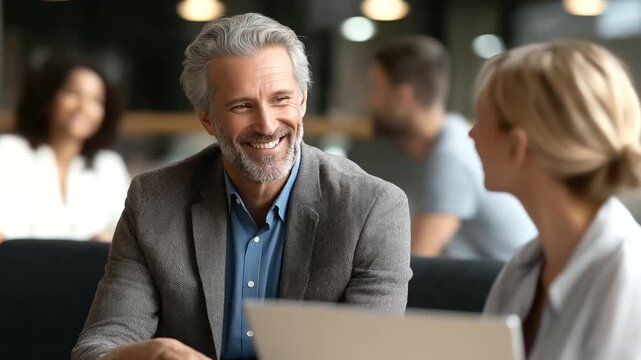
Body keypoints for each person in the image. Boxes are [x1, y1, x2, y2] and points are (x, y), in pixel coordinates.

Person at [72, 13, 412, 360]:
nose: (266, 125)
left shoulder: (374, 208)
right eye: (242, 105)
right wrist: (144, 355)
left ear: (303, 102)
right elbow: (97, 347)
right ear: (207, 118)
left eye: (281, 99)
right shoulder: (154, 202)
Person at [473, 41, 641, 359]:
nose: (472, 135)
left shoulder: (629, 276)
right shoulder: (524, 266)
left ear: (517, 145)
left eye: (481, 119)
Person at [350, 36, 536, 260]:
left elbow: (416, 260)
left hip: (502, 287)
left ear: (404, 97)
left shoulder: (450, 156)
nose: (368, 103)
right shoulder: (449, 134)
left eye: (375, 89)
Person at [0, 58, 129, 243]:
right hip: (18, 268)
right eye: (73, 93)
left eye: (96, 100)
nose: (84, 107)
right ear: (48, 98)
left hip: (90, 271)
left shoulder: (108, 166)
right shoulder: (9, 152)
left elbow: (126, 234)